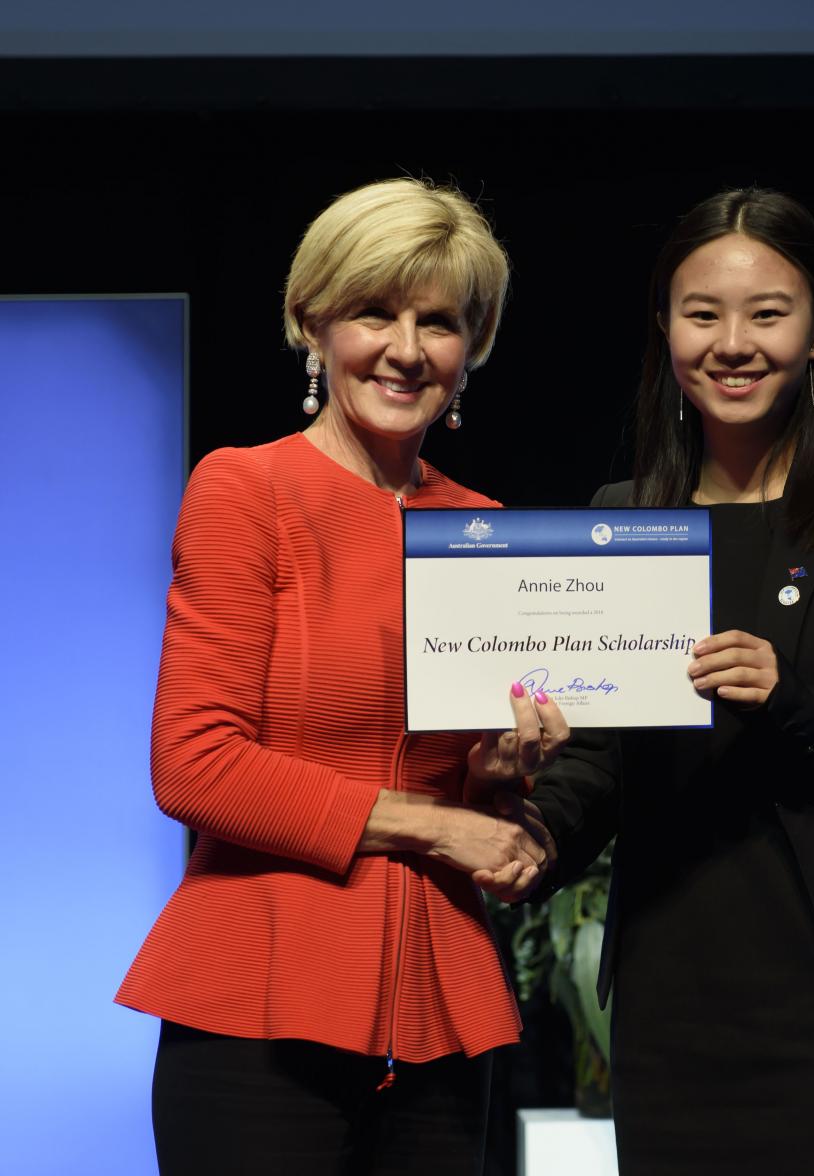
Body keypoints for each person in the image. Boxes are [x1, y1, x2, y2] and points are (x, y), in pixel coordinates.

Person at [116, 178, 566, 1176]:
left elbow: (464, 784)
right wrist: (436, 822)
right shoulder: (248, 489)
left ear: (473, 344)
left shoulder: (483, 524)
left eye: (440, 321)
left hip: (441, 1012)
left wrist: (505, 790)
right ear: (310, 320)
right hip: (257, 1009)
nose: (407, 349)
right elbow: (194, 766)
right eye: (374, 311)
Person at [530, 188, 814, 1175]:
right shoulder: (621, 517)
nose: (734, 343)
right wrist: (530, 831)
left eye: (767, 313)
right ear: (665, 328)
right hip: (672, 1001)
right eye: (702, 314)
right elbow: (598, 762)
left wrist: (793, 702)